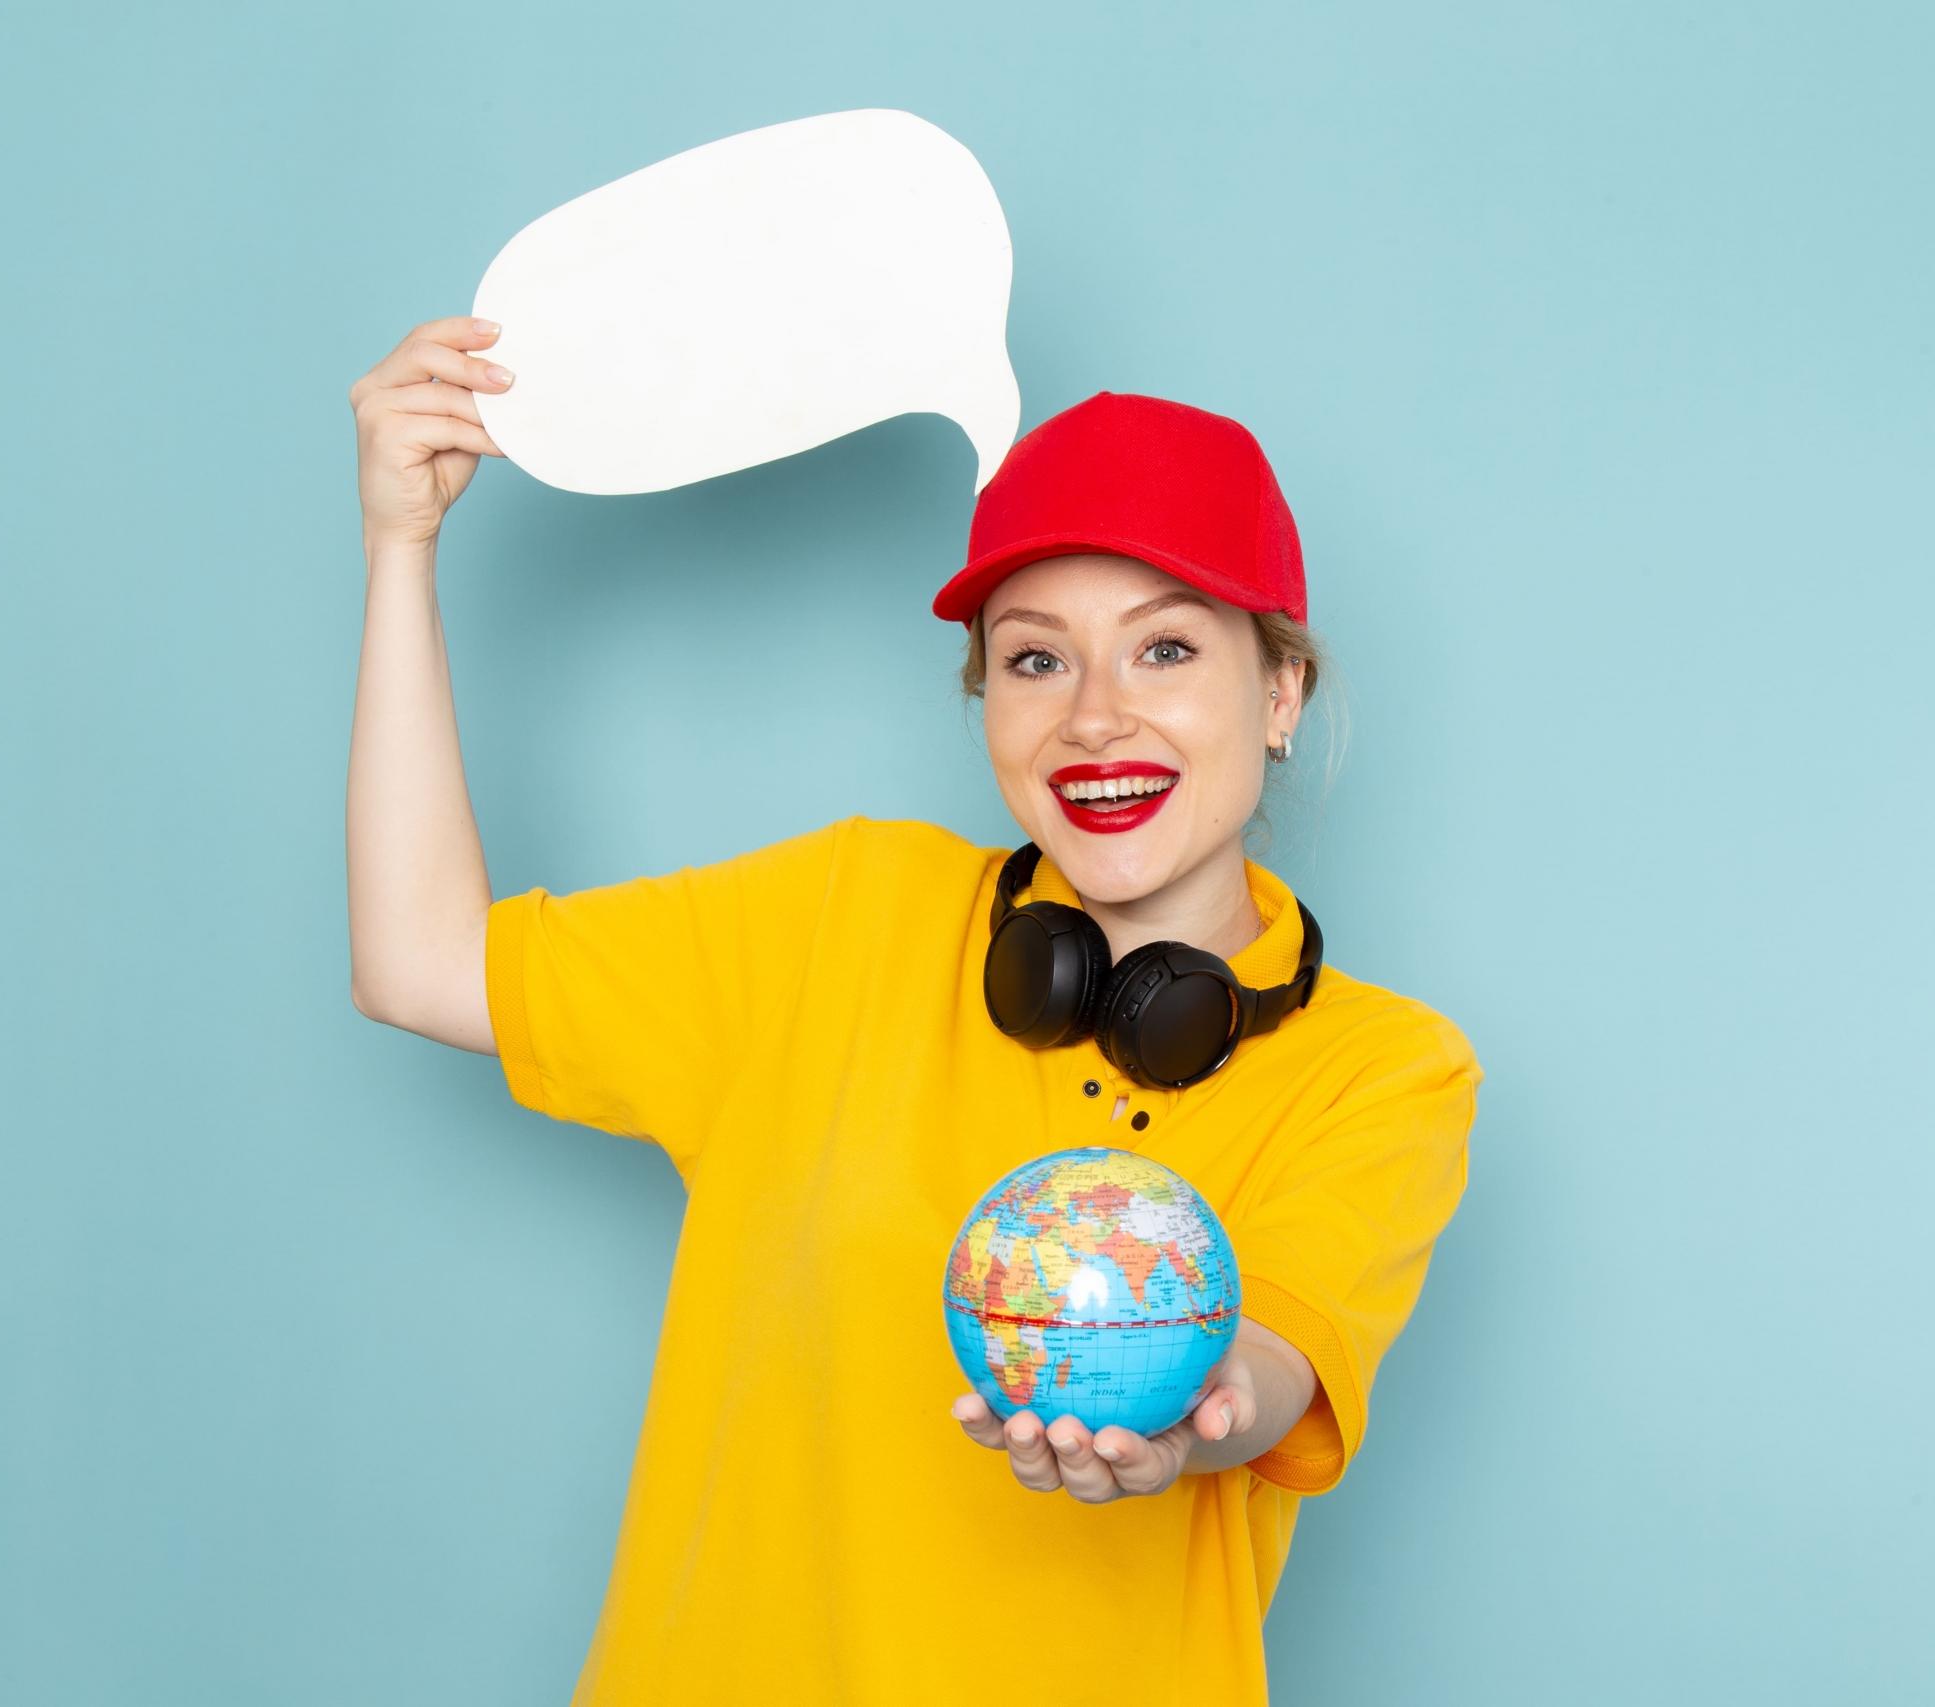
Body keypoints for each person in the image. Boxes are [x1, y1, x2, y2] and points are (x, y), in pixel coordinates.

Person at [345, 314, 1484, 1705]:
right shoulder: (847, 914)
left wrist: (1190, 1418)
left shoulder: (1388, 1071)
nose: (1096, 718)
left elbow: (1275, 1369)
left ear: (1282, 691)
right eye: (1037, 659)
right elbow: (420, 960)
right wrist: (401, 547)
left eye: (1167, 650)